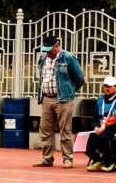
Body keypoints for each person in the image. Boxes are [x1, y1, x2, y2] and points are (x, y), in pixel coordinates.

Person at [33, 34, 84, 168]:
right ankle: (47, 158)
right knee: (45, 129)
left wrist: (70, 91)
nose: (48, 52)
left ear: (57, 46)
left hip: (63, 99)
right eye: (45, 49)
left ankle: (68, 158)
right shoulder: (43, 58)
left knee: (65, 129)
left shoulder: (67, 57)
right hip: (46, 98)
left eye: (50, 49)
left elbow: (79, 77)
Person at [85, 76, 116, 172]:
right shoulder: (99, 101)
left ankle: (110, 161)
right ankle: (98, 159)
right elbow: (94, 118)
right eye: (105, 86)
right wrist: (95, 127)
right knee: (83, 139)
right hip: (101, 127)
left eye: (110, 86)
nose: (107, 88)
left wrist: (105, 128)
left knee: (103, 138)